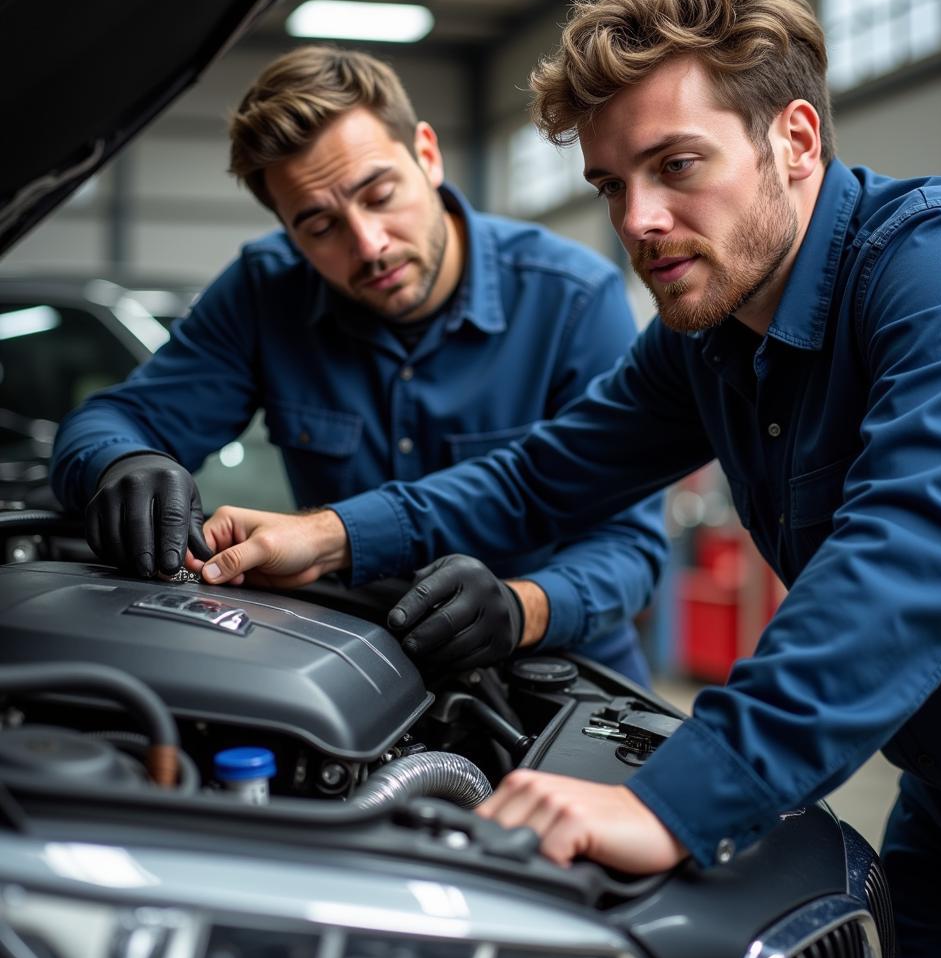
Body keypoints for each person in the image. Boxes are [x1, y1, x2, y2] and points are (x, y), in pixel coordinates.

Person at [185, 0, 941, 955]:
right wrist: (322, 536)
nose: (637, 221)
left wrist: (677, 801)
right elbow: (539, 476)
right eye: (611, 183)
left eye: (676, 166)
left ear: (794, 139)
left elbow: (916, 552)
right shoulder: (704, 345)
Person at [50, 46, 667, 685]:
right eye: (319, 225)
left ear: (427, 154)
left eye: (378, 194)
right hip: (351, 662)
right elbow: (113, 420)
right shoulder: (267, 293)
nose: (368, 245)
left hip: (554, 672)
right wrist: (123, 462)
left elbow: (630, 546)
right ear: (288, 231)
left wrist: (523, 607)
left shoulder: (569, 299)